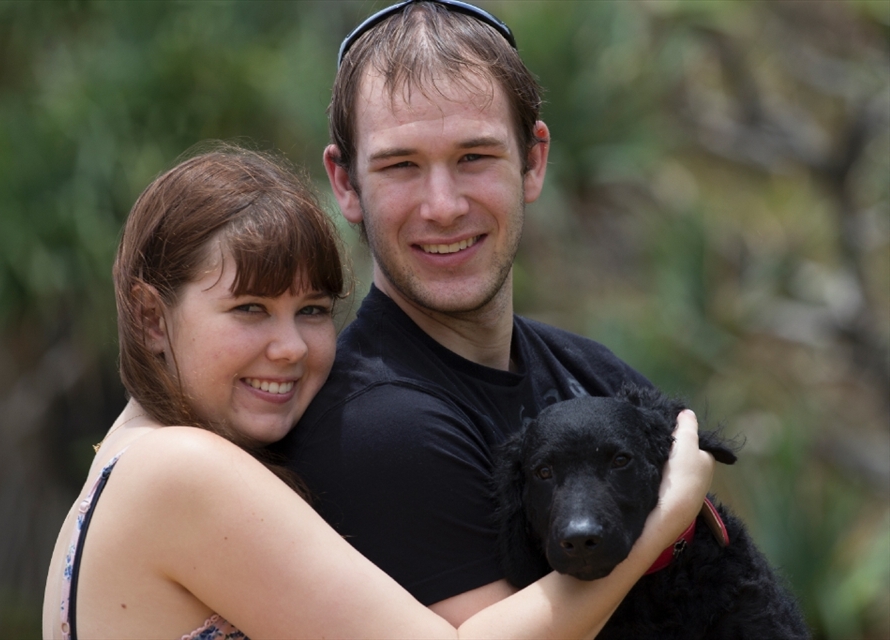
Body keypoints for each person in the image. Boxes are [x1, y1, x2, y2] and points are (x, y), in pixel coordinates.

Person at [42, 144, 713, 639]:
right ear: (153, 317)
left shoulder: (125, 462)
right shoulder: (181, 471)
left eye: (311, 310)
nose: (291, 347)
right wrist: (660, 525)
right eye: (249, 309)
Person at [271, 0, 716, 626]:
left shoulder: (590, 370)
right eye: (401, 165)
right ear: (345, 183)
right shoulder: (376, 428)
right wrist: (666, 522)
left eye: (473, 157)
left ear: (533, 161)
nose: (444, 205)